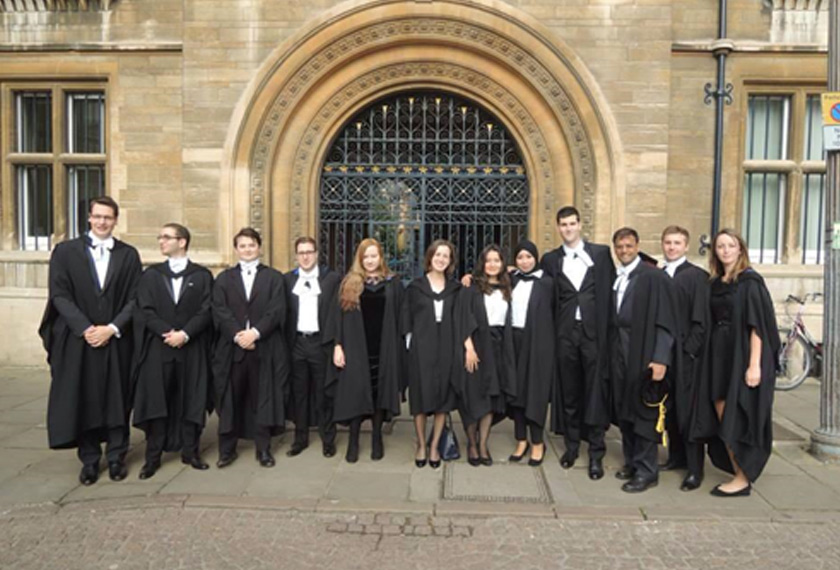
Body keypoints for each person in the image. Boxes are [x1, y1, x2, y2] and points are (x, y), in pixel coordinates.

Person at [39, 196, 142, 485]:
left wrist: (112, 328)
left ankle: (117, 456)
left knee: (118, 396)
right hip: (79, 341)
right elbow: (59, 294)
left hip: (117, 339)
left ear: (115, 220)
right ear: (89, 217)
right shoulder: (65, 252)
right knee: (83, 397)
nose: (102, 222)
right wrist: (85, 328)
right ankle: (89, 460)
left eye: (108, 217)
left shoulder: (128, 255)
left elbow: (136, 298)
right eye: (97, 216)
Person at [132, 223, 214, 479]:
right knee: (158, 400)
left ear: (182, 241)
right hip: (160, 348)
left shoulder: (201, 276)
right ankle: (152, 457)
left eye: (166, 237)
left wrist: (186, 333)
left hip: (192, 348)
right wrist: (166, 332)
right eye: (160, 236)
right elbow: (145, 309)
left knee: (192, 398)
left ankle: (191, 452)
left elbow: (207, 309)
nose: (161, 241)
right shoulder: (151, 275)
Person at [541, 206, 614, 480]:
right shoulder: (551, 259)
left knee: (594, 392)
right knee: (569, 393)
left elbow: (610, 293)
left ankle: (596, 451)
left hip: (594, 335)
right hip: (565, 335)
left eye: (572, 223)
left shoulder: (600, 254)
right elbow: (539, 290)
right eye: (563, 224)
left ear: (580, 225)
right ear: (558, 228)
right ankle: (571, 447)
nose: (568, 228)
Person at [704, 229, 779, 497]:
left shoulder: (749, 283)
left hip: (742, 354)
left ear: (740, 249)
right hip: (719, 354)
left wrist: (754, 365)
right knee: (722, 411)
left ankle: (743, 477)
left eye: (730, 245)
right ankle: (737, 469)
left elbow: (756, 326)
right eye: (720, 246)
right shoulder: (716, 282)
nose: (725, 250)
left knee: (740, 415)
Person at [211, 228, 288, 468]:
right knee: (229, 398)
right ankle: (227, 450)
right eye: (242, 246)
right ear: (236, 249)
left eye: (251, 245)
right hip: (232, 349)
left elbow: (276, 310)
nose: (247, 249)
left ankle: (263, 449)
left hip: (263, 347)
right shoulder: (224, 279)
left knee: (262, 398)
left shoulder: (274, 278)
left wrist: (255, 333)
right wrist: (238, 335)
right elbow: (219, 310)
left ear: (259, 247)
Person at [610, 227, 679, 493]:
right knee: (625, 410)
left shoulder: (653, 277)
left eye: (628, 246)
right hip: (620, 352)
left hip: (643, 354)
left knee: (644, 414)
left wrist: (660, 359)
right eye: (619, 247)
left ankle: (647, 471)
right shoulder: (618, 277)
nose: (624, 251)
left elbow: (665, 322)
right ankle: (632, 461)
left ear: (637, 246)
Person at [330, 238, 403, 463]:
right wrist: (338, 345)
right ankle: (353, 440)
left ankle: (377, 437)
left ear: (381, 257)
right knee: (355, 393)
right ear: (360, 259)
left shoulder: (393, 283)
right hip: (355, 346)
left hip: (384, 346)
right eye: (366, 257)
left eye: (374, 256)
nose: (370, 261)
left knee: (379, 392)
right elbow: (338, 318)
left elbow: (401, 315)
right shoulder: (349, 283)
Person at [401, 240, 461, 469]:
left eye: (446, 256)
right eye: (438, 255)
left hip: (446, 345)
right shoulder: (416, 288)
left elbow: (461, 315)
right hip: (422, 346)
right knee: (420, 396)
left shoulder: (455, 289)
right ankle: (421, 445)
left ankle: (435, 445)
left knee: (442, 398)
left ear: (450, 261)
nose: (441, 259)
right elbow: (406, 316)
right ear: (430, 257)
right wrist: (410, 344)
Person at [659, 225, 710, 491]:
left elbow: (700, 320)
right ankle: (675, 457)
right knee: (669, 410)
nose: (672, 247)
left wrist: (690, 351)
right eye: (668, 242)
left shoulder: (696, 276)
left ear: (686, 246)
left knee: (689, 413)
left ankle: (694, 469)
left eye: (677, 243)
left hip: (686, 356)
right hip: (662, 354)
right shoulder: (657, 274)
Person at [458, 244, 517, 467]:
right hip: (477, 346)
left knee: (492, 398)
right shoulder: (471, 287)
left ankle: (483, 444)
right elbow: (463, 317)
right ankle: (472, 443)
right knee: (474, 396)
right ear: (482, 263)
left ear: (502, 263)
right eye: (488, 260)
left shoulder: (508, 285)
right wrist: (469, 348)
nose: (492, 264)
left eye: (497, 260)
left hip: (499, 347)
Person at [284, 237, 341, 458]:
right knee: (299, 393)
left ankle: (328, 439)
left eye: (309, 252)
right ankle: (300, 439)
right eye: (301, 252)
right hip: (297, 342)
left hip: (321, 343)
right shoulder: (287, 280)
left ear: (317, 254)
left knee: (324, 393)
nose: (305, 256)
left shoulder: (332, 279)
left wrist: (337, 343)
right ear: (296, 255)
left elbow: (337, 314)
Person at [506, 240, 555, 466]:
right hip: (513, 341)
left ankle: (537, 442)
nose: (524, 261)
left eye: (528, 257)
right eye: (520, 257)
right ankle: (521, 439)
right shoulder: (511, 280)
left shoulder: (547, 283)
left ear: (535, 257)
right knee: (515, 393)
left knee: (534, 393)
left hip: (538, 343)